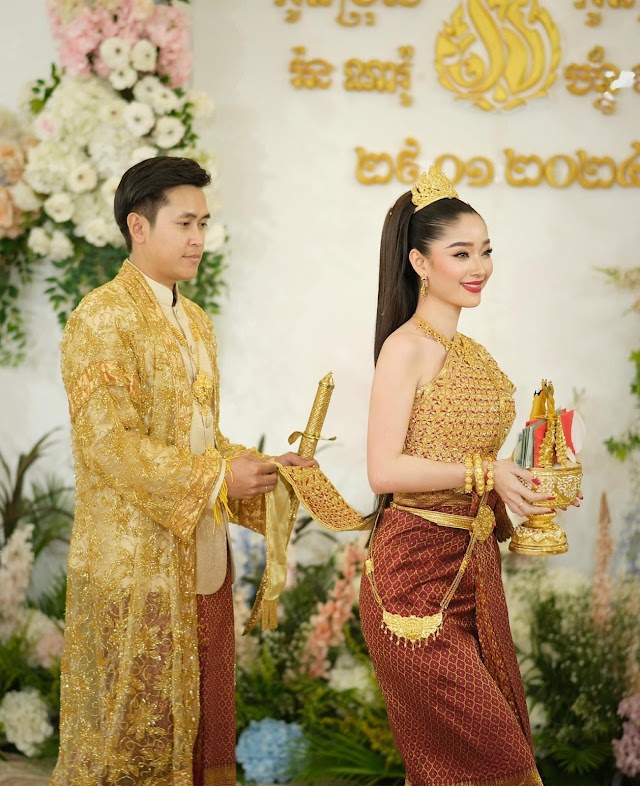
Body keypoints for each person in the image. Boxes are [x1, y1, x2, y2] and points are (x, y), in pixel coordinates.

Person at [52, 156, 314, 786]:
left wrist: (254, 467)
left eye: (204, 223)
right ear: (138, 227)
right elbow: (109, 443)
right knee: (130, 740)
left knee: (201, 735)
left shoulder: (194, 319)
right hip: (133, 570)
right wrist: (218, 480)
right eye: (185, 223)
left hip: (200, 557)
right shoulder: (101, 316)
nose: (199, 238)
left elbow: (198, 437)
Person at [359, 166, 580, 786]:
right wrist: (491, 471)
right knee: (488, 765)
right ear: (420, 263)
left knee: (483, 763)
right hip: (411, 583)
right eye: (461, 252)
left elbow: (483, 478)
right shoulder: (404, 348)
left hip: (472, 573)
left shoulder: (474, 356)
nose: (479, 265)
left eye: (485, 250)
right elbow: (384, 470)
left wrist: (530, 493)